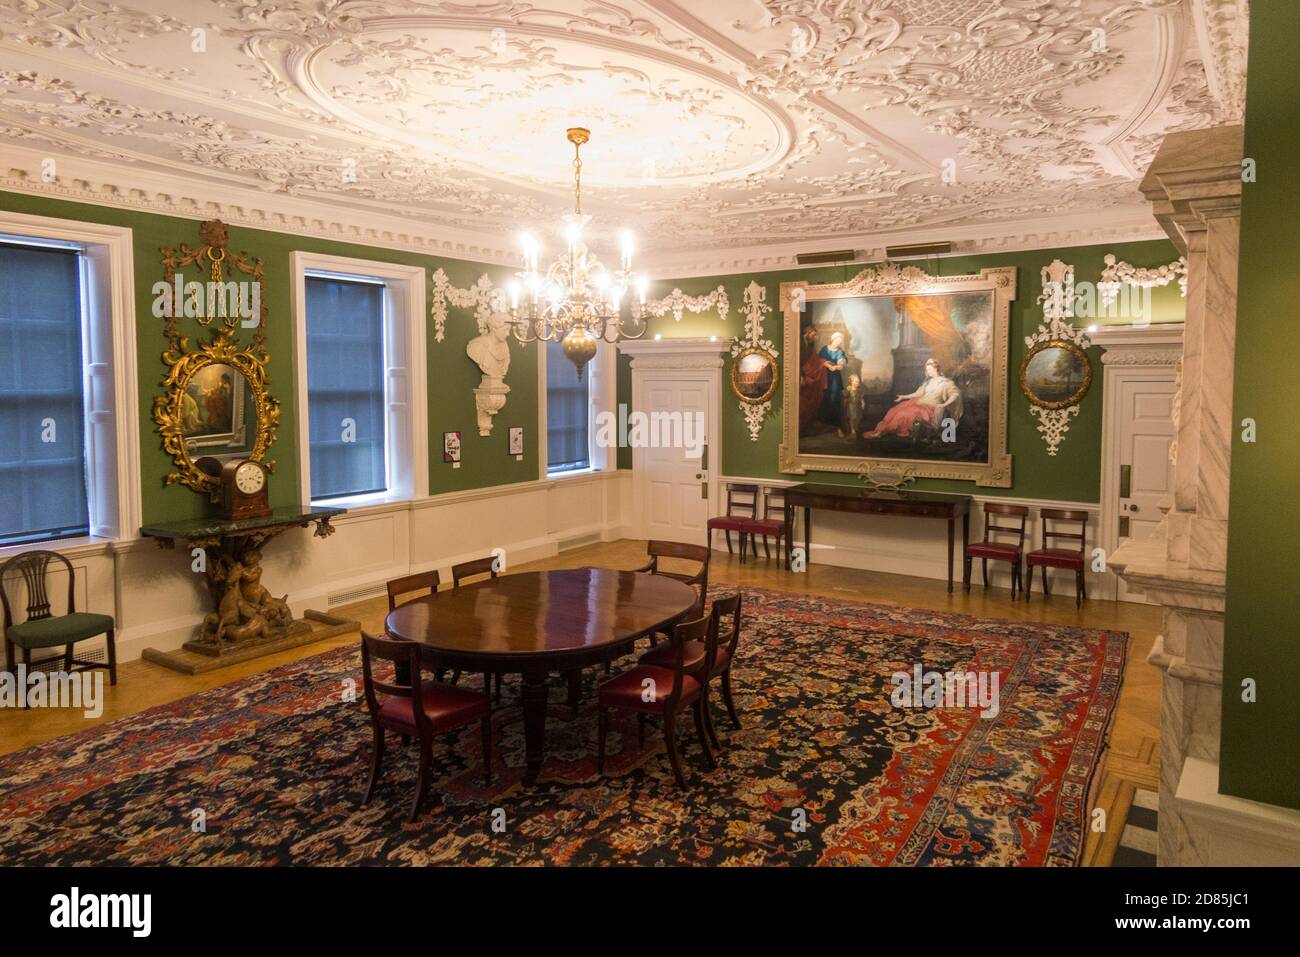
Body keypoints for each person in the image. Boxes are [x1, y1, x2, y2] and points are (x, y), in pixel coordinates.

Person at [863, 357, 962, 440]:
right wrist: (903, 397)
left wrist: (944, 404)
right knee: (893, 411)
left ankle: (884, 431)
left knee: (904, 414)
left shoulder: (946, 383)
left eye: (929, 369)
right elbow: (918, 393)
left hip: (929, 408)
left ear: (936, 369)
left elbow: (955, 394)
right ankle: (882, 430)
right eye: (927, 370)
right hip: (918, 403)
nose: (927, 372)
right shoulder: (928, 382)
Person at [816, 331, 847, 431]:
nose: (839, 342)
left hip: (835, 378)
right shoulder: (825, 349)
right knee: (825, 397)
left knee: (835, 398)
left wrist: (839, 365)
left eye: (841, 341)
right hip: (824, 376)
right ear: (833, 339)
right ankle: (824, 423)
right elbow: (819, 360)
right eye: (838, 340)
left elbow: (841, 361)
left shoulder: (839, 351)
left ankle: (836, 425)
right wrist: (828, 365)